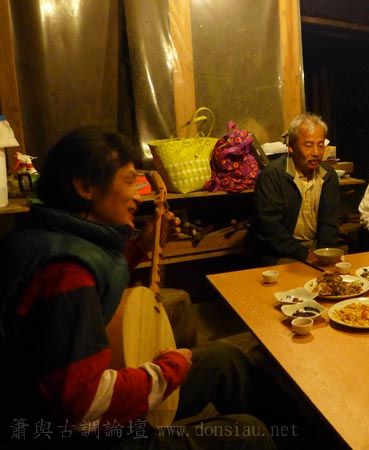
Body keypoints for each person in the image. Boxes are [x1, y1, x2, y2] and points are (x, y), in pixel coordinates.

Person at [0, 127, 274, 449]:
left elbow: (95, 293)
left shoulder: (51, 237)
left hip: (86, 410)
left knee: (226, 362)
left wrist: (140, 248)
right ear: (85, 187)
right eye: (129, 181)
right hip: (79, 431)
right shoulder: (65, 271)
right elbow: (85, 406)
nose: (138, 195)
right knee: (248, 434)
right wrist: (167, 370)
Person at [246, 113, 340, 265]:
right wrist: (304, 254)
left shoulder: (328, 176)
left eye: (320, 145)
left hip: (314, 249)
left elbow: (330, 223)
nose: (316, 152)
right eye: (308, 145)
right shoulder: (272, 175)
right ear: (291, 147)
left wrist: (323, 253)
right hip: (276, 252)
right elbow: (270, 228)